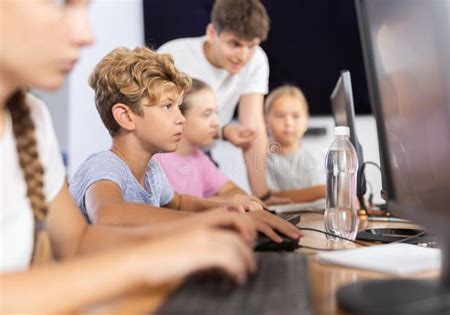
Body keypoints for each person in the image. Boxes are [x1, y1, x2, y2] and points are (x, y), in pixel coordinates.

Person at [0, 1, 257, 312]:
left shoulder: (32, 118)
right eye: (61, 4)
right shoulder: (104, 167)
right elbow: (108, 215)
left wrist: (196, 234)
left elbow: (77, 243)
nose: (87, 35)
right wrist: (156, 255)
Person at [68, 48, 301, 243]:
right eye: (168, 106)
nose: (181, 118)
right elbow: (108, 215)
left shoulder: (151, 172)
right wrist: (212, 220)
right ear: (126, 117)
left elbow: (178, 203)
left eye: (179, 107)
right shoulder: (104, 167)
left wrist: (226, 210)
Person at [158, 0, 276, 202]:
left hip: (199, 156)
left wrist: (263, 196)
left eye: (252, 46)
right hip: (162, 156)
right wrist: (223, 131)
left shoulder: (256, 61)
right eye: (234, 44)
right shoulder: (173, 57)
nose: (243, 56)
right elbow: (152, 121)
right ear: (212, 33)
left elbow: (253, 127)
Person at [264, 85, 326, 201]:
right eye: (280, 115)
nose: (288, 123)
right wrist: (323, 191)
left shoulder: (322, 155)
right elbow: (268, 197)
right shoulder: (262, 159)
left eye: (296, 116)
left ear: (306, 120)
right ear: (266, 121)